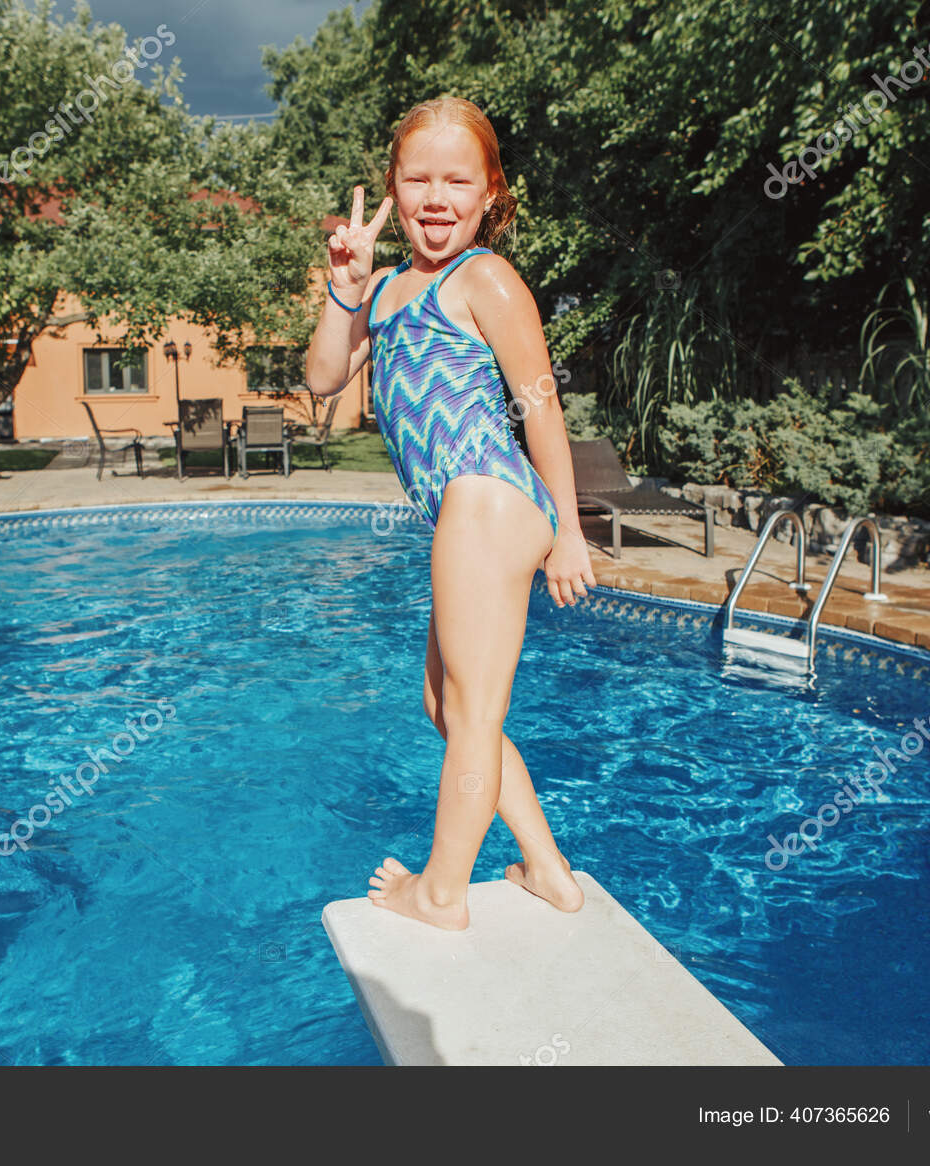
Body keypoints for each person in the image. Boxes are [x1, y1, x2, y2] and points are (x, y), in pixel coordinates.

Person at [304, 96, 596, 930]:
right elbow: (325, 380)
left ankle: (440, 893)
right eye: (418, 178)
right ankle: (547, 868)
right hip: (467, 511)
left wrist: (568, 531)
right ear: (392, 189)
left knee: (473, 710)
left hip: (488, 496)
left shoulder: (486, 278)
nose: (438, 197)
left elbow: (539, 406)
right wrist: (343, 287)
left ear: (490, 192)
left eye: (458, 180)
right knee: (445, 707)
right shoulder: (388, 287)